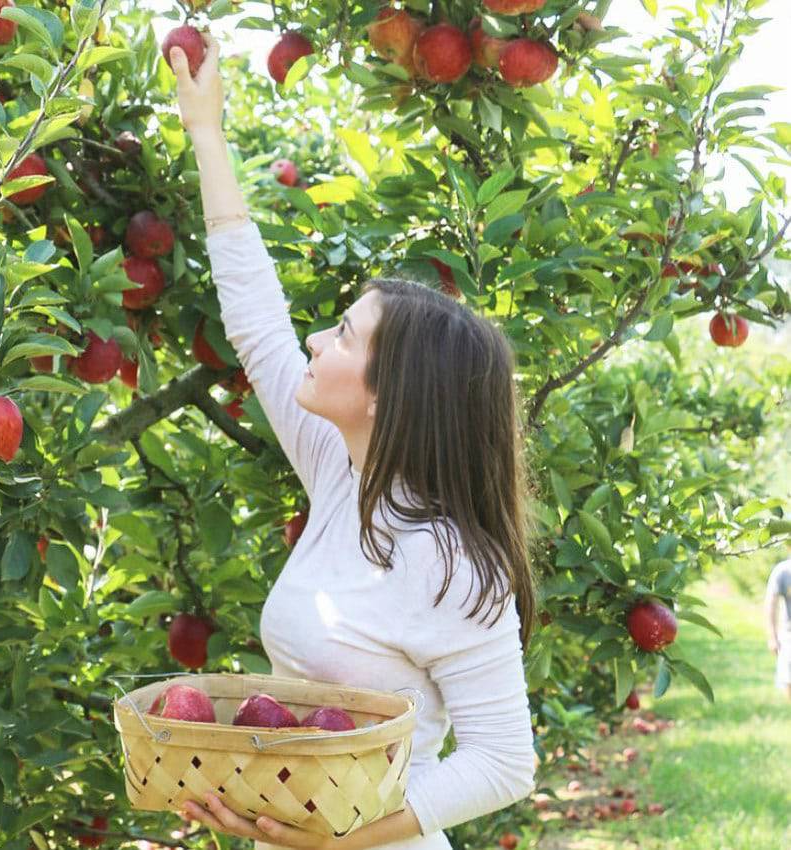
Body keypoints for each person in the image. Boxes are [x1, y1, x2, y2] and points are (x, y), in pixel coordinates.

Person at [167, 34, 537, 850]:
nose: (313, 342)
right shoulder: (346, 477)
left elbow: (505, 761)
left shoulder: (448, 559)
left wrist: (345, 834)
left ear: (385, 392)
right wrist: (205, 130)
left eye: (342, 334)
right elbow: (257, 323)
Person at [765, 557, 791, 700]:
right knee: (788, 679)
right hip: (788, 637)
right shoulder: (783, 571)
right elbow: (771, 605)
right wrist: (772, 637)